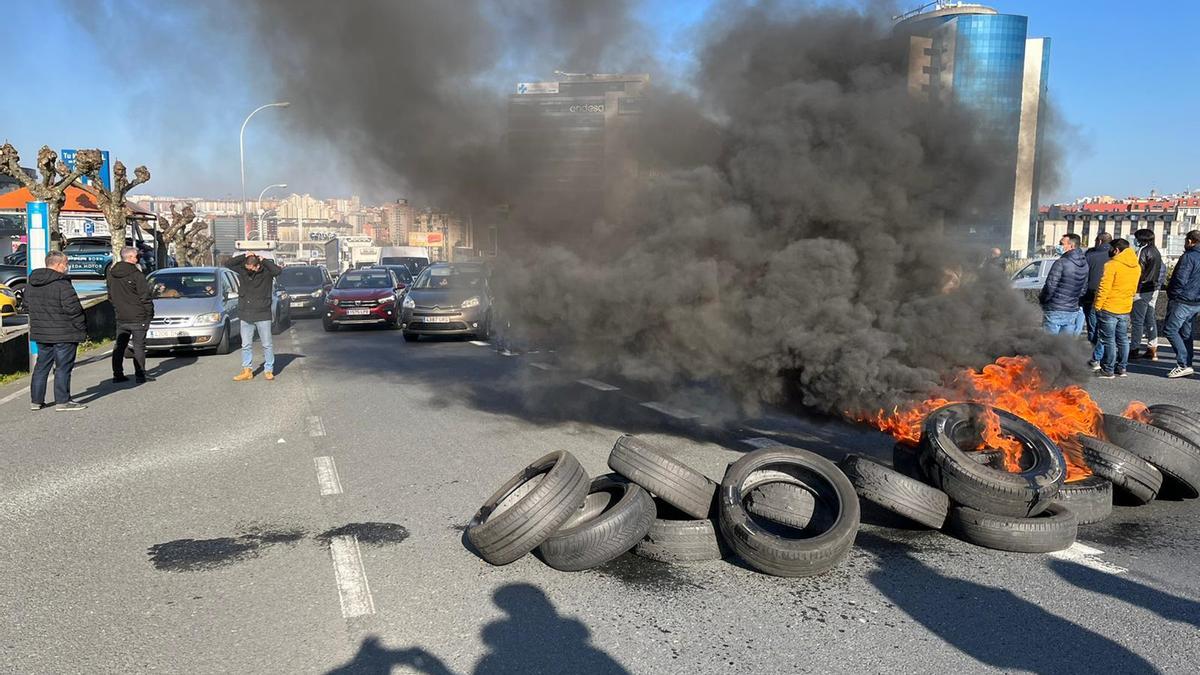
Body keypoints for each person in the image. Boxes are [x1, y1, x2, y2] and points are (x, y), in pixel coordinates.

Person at [26, 250, 87, 411]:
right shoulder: (62, 284)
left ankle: (36, 401)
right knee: (63, 368)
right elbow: (74, 310)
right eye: (66, 264)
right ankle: (62, 400)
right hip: (64, 332)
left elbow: (26, 306)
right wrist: (82, 329)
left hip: (42, 332)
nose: (67, 267)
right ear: (59, 264)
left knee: (41, 367)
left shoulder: (32, 283)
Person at [226, 252, 282, 381]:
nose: (249, 271)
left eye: (252, 268)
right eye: (247, 267)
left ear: (257, 266)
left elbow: (277, 271)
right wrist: (244, 255)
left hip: (263, 314)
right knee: (246, 344)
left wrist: (264, 260)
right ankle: (247, 370)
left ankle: (268, 369)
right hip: (245, 313)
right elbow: (228, 264)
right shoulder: (243, 269)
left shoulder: (267, 272)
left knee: (267, 344)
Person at [1093, 238, 1141, 379]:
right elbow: (1133, 288)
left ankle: (1108, 369)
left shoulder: (1112, 265)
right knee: (1123, 339)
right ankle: (1122, 368)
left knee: (1108, 339)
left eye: (1111, 248)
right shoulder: (1136, 266)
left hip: (1109, 306)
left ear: (1116, 250)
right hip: (1125, 307)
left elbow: (1104, 287)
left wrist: (1098, 305)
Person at [106, 246, 154, 384]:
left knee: (120, 345)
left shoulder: (111, 273)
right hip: (138, 315)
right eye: (136, 256)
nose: (138, 258)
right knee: (139, 346)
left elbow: (110, 295)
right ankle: (140, 374)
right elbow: (145, 297)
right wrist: (149, 314)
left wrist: (117, 307)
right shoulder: (136, 275)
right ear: (131, 258)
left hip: (121, 315)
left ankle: (117, 374)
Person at [1163, 229, 1200, 378]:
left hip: (1183, 299)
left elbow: (1180, 279)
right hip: (1196, 301)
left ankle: (1183, 363)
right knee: (1186, 333)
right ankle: (1188, 364)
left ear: (1190, 241)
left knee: (1170, 330)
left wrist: (1174, 294)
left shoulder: (1188, 257)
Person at [1038, 233, 1089, 335]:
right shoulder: (1084, 264)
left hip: (1055, 308)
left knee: (1049, 344)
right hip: (1072, 309)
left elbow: (1050, 286)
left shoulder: (1061, 262)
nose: (1058, 246)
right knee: (1064, 345)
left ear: (1071, 246)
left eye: (1061, 243)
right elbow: (1083, 289)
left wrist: (1043, 300)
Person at [1129, 228, 1165, 360]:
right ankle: (1152, 348)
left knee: (1137, 321)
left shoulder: (1143, 251)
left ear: (1141, 239)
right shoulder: (1156, 251)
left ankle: (1134, 349)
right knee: (1150, 317)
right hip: (1153, 288)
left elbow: (1139, 271)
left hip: (1142, 289)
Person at [1082, 232, 1113, 368]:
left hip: (1092, 296)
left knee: (1093, 328)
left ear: (1099, 241)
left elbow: (1083, 277)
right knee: (1107, 330)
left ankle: (1096, 357)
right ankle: (1107, 358)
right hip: (1111, 298)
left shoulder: (1090, 256)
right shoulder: (1115, 257)